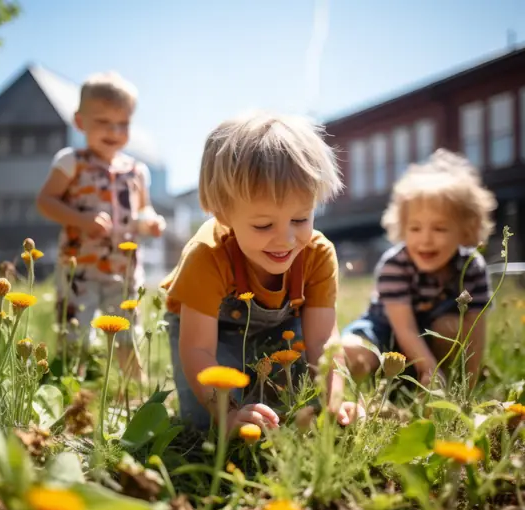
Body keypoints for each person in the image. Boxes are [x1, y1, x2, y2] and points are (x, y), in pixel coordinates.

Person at [160, 109, 364, 433]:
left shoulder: (317, 254)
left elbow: (323, 340)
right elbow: (197, 348)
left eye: (300, 219)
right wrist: (225, 413)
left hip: (280, 328)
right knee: (204, 426)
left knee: (298, 409)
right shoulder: (207, 256)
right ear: (223, 213)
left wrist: (334, 403)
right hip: (210, 336)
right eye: (263, 224)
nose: (285, 238)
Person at [37, 70, 165, 379]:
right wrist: (81, 220)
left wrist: (151, 222)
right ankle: (69, 392)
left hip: (124, 271)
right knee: (74, 334)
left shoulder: (136, 171)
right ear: (80, 122)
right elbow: (46, 201)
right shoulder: (71, 162)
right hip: (78, 270)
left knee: (127, 334)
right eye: (103, 122)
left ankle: (134, 395)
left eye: (122, 123)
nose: (114, 130)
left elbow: (144, 208)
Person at [342, 148, 497, 389]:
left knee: (450, 326)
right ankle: (381, 387)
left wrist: (470, 382)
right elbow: (404, 328)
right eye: (415, 228)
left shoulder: (471, 266)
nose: (425, 240)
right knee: (349, 351)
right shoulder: (395, 264)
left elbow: (476, 330)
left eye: (439, 229)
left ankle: (440, 385)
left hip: (435, 339)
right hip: (387, 333)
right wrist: (428, 369)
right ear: (403, 227)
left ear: (466, 229)